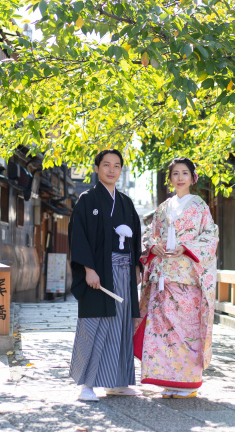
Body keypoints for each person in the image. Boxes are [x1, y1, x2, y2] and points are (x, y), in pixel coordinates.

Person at [135, 157, 219, 399]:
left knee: (186, 331)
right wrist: (154, 247)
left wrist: (185, 247)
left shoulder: (200, 206)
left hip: (188, 278)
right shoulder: (163, 208)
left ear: (193, 178)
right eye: (175, 174)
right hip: (163, 278)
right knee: (165, 332)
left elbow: (210, 238)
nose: (180, 178)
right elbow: (151, 235)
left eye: (185, 173)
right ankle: (169, 380)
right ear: (170, 179)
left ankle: (189, 382)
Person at [68, 149, 143, 401]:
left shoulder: (126, 202)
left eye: (117, 166)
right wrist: (88, 269)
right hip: (99, 273)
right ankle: (86, 385)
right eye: (106, 165)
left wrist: (136, 267)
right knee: (94, 325)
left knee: (121, 325)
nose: (112, 170)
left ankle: (117, 381)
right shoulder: (87, 199)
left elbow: (135, 238)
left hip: (123, 272)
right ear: (97, 167)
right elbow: (78, 236)